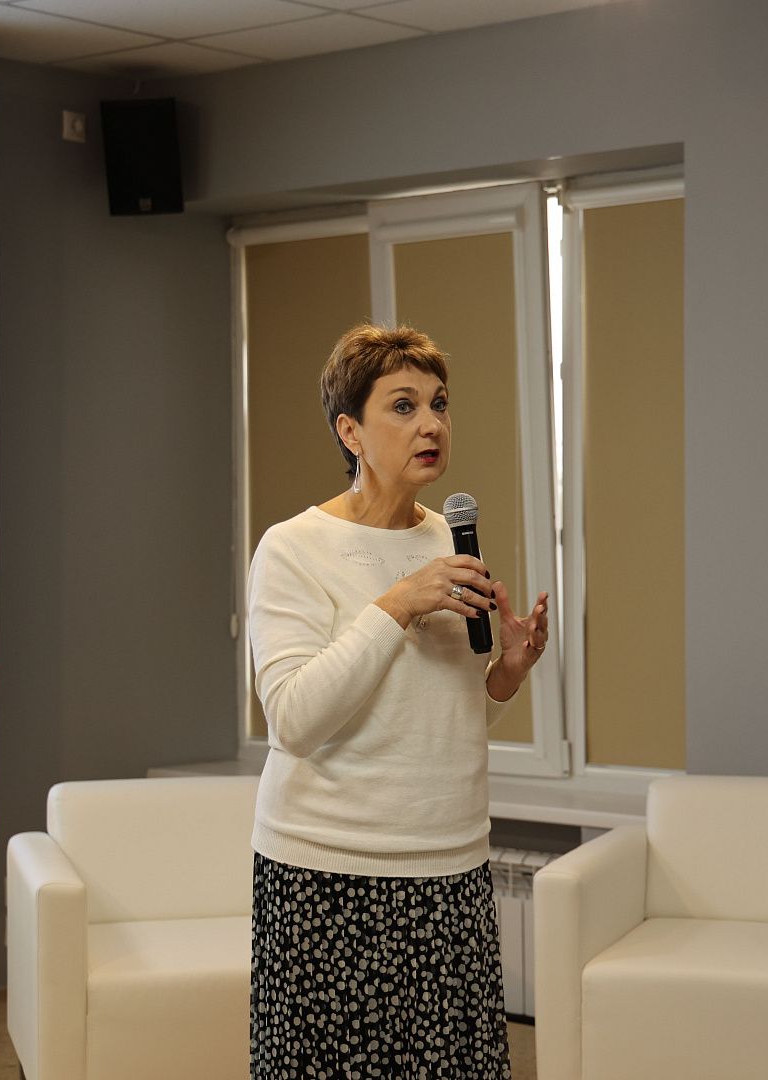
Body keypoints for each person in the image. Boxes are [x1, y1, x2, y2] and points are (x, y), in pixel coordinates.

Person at [247, 323, 550, 1079]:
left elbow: (443, 708)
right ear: (349, 430)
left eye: (439, 404)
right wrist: (396, 605)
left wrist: (507, 673)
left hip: (451, 865)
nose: (431, 424)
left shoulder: (448, 537)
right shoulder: (291, 548)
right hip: (330, 876)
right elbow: (295, 719)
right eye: (404, 406)